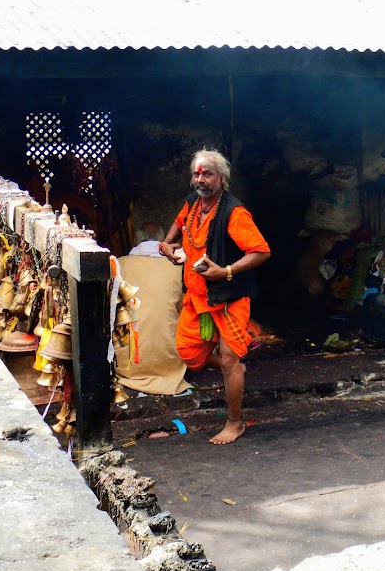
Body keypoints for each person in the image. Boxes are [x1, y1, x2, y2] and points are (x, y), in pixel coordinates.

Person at [159, 149, 271, 445]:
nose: (200, 179)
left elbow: (261, 251)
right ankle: (231, 366)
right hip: (197, 295)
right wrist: (168, 244)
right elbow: (179, 223)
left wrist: (227, 271)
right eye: (197, 173)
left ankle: (235, 423)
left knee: (230, 358)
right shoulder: (193, 202)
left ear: (221, 178)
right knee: (188, 352)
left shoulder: (235, 212)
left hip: (229, 297)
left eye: (207, 173)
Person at [114, 222, 192, 396]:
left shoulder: (119, 264)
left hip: (129, 363)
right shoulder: (176, 266)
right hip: (169, 360)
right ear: (162, 241)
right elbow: (181, 308)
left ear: (135, 240)